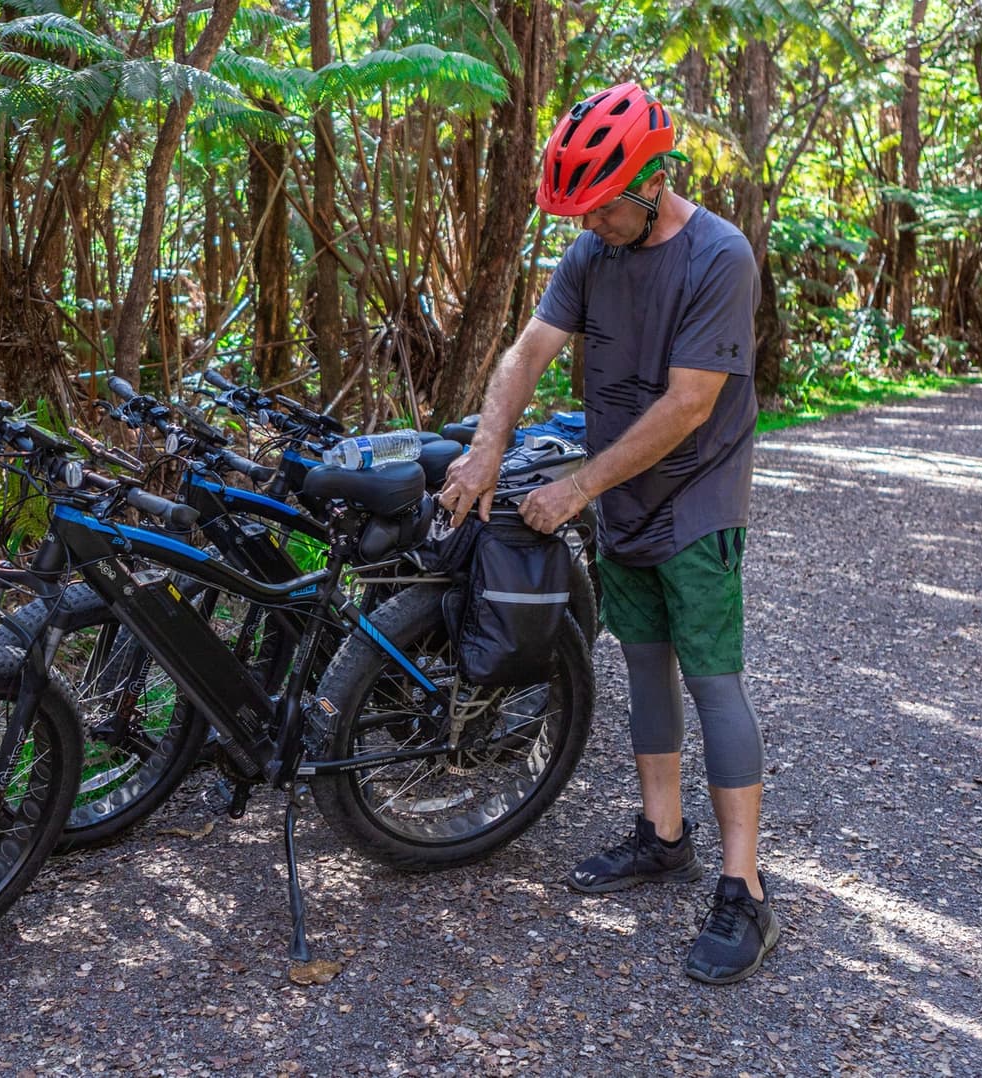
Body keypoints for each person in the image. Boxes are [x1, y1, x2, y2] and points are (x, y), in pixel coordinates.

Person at [435, 81, 777, 985]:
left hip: (698, 499)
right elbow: (527, 351)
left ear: (654, 180)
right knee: (643, 668)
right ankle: (662, 838)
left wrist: (578, 486)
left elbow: (689, 403)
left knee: (711, 682)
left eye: (603, 206)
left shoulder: (719, 255)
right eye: (579, 210)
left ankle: (745, 891)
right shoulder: (590, 255)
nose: (590, 224)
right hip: (620, 498)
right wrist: (485, 449)